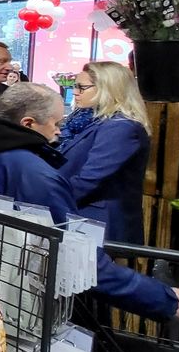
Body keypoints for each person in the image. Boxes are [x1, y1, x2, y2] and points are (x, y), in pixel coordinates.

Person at [0, 82, 179, 320]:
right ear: (28, 123)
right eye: (56, 123)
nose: (59, 132)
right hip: (15, 303)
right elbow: (77, 260)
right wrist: (163, 298)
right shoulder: (34, 174)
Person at [57, 62, 151, 245]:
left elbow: (90, 179)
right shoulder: (98, 122)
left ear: (108, 89)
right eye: (74, 86)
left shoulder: (120, 127)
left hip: (101, 222)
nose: (75, 92)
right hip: (86, 216)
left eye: (81, 87)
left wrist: (51, 197)